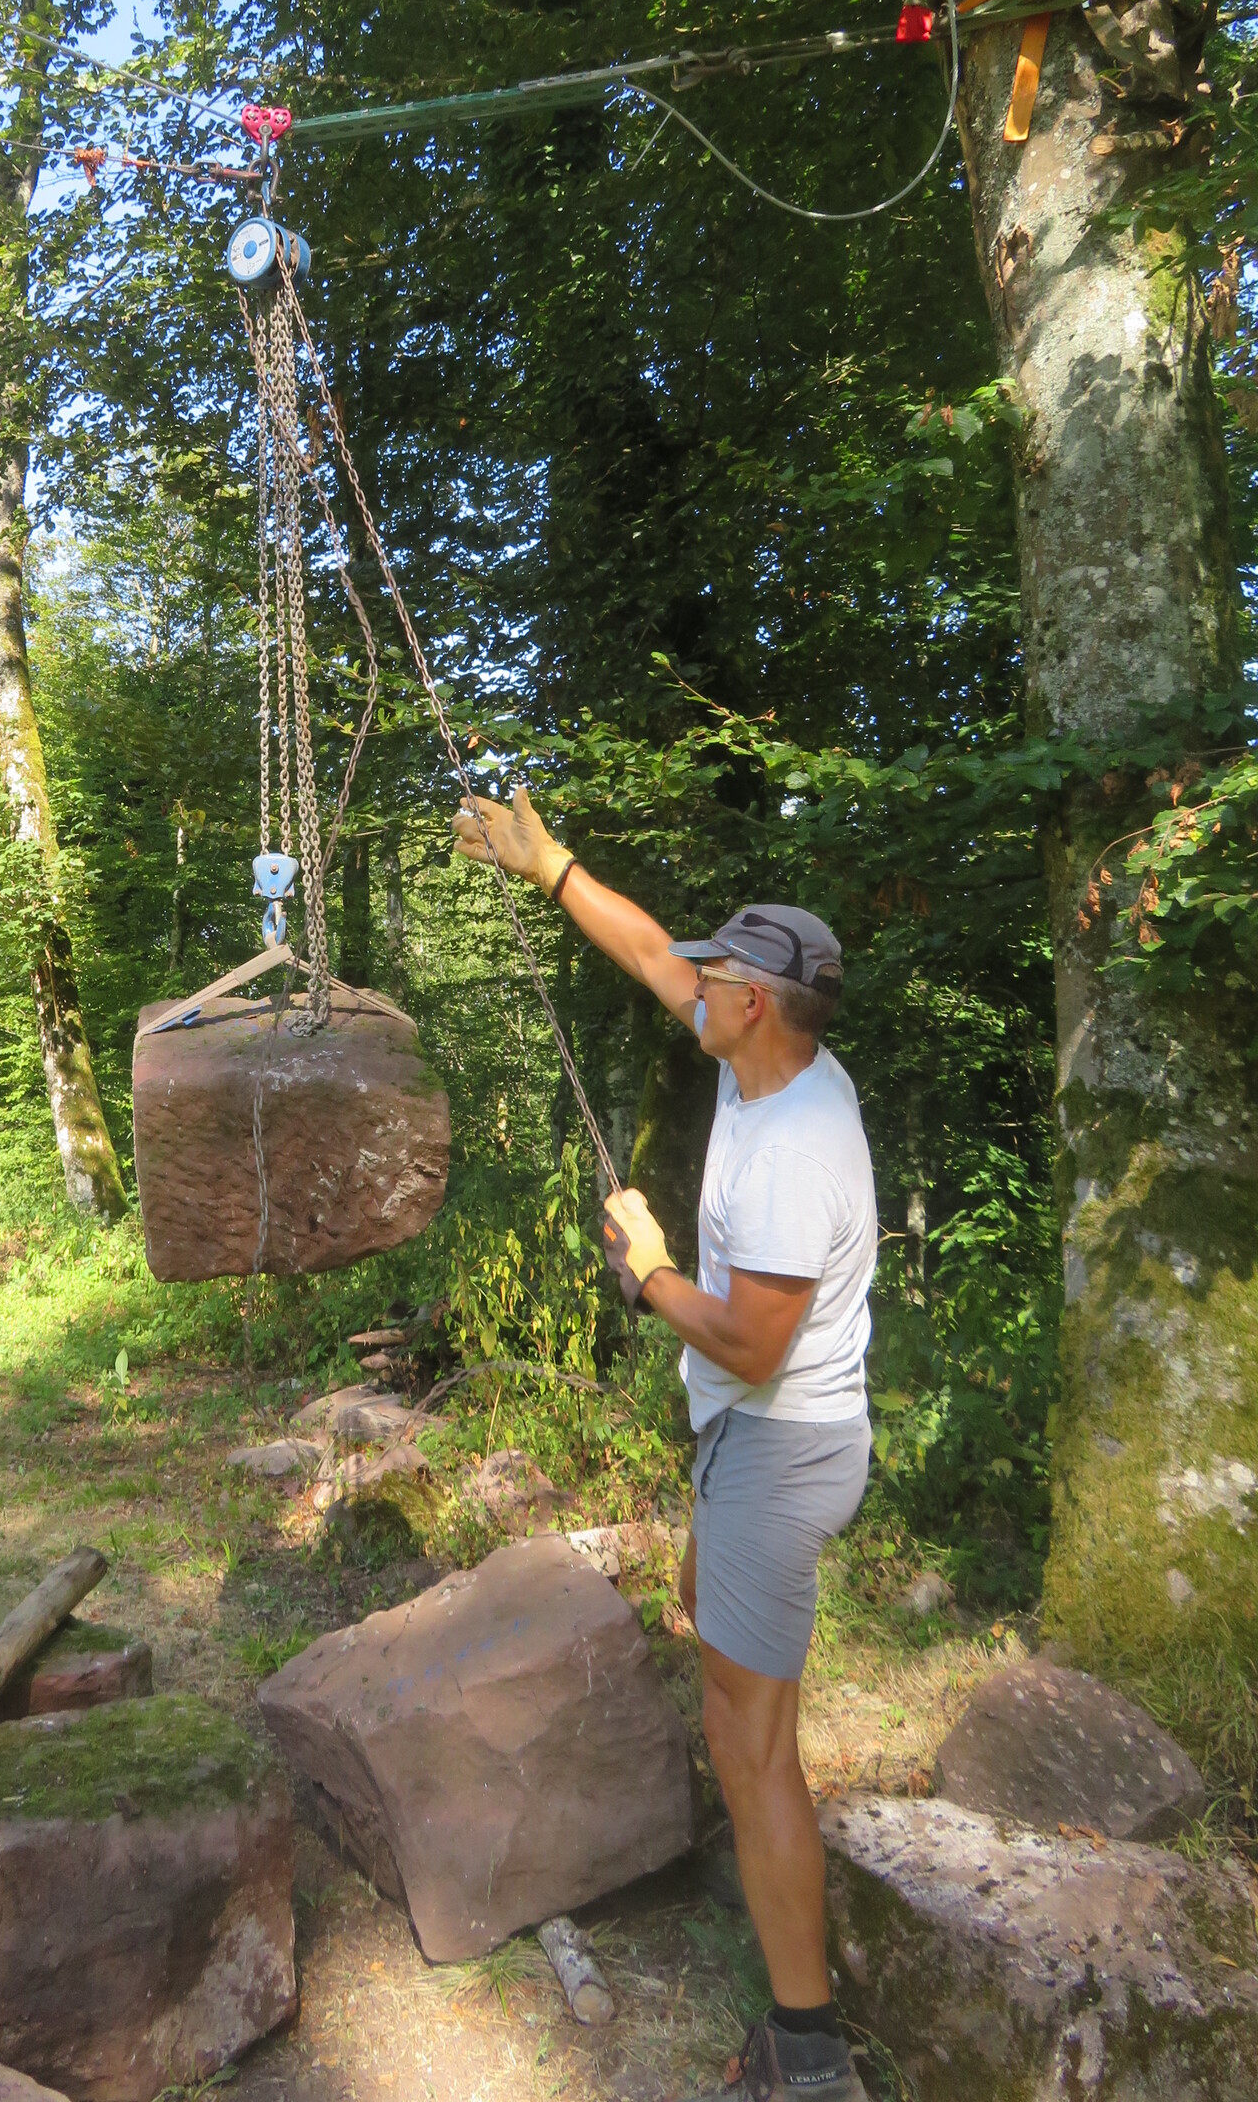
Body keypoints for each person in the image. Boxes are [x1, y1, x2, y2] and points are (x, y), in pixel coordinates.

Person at [453, 790, 877, 2102]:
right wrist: (551, 866)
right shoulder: (763, 1059)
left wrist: (646, 1271)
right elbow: (648, 954)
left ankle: (807, 2049)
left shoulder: (798, 1149)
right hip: (753, 1443)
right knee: (717, 1637)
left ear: (753, 998)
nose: (694, 979)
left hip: (776, 1447)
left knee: (753, 1750)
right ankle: (771, 1887)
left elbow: (749, 1343)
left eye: (716, 971)